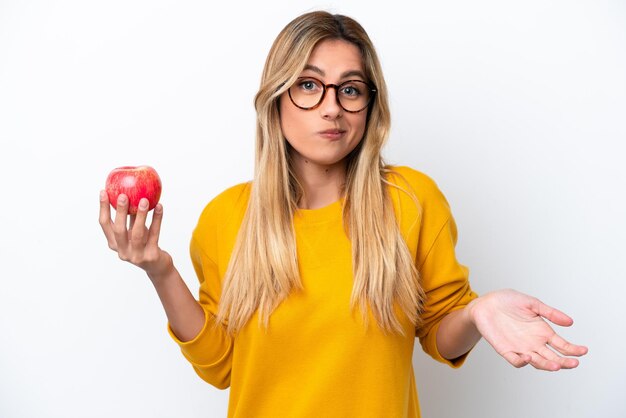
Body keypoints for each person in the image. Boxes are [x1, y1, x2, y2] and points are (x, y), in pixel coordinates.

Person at [98, 11, 588, 418]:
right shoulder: (225, 218)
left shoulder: (411, 201)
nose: (331, 108)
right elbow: (222, 366)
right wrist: (159, 270)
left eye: (350, 89)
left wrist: (477, 314)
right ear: (276, 98)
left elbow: (441, 335)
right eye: (309, 85)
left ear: (370, 106)